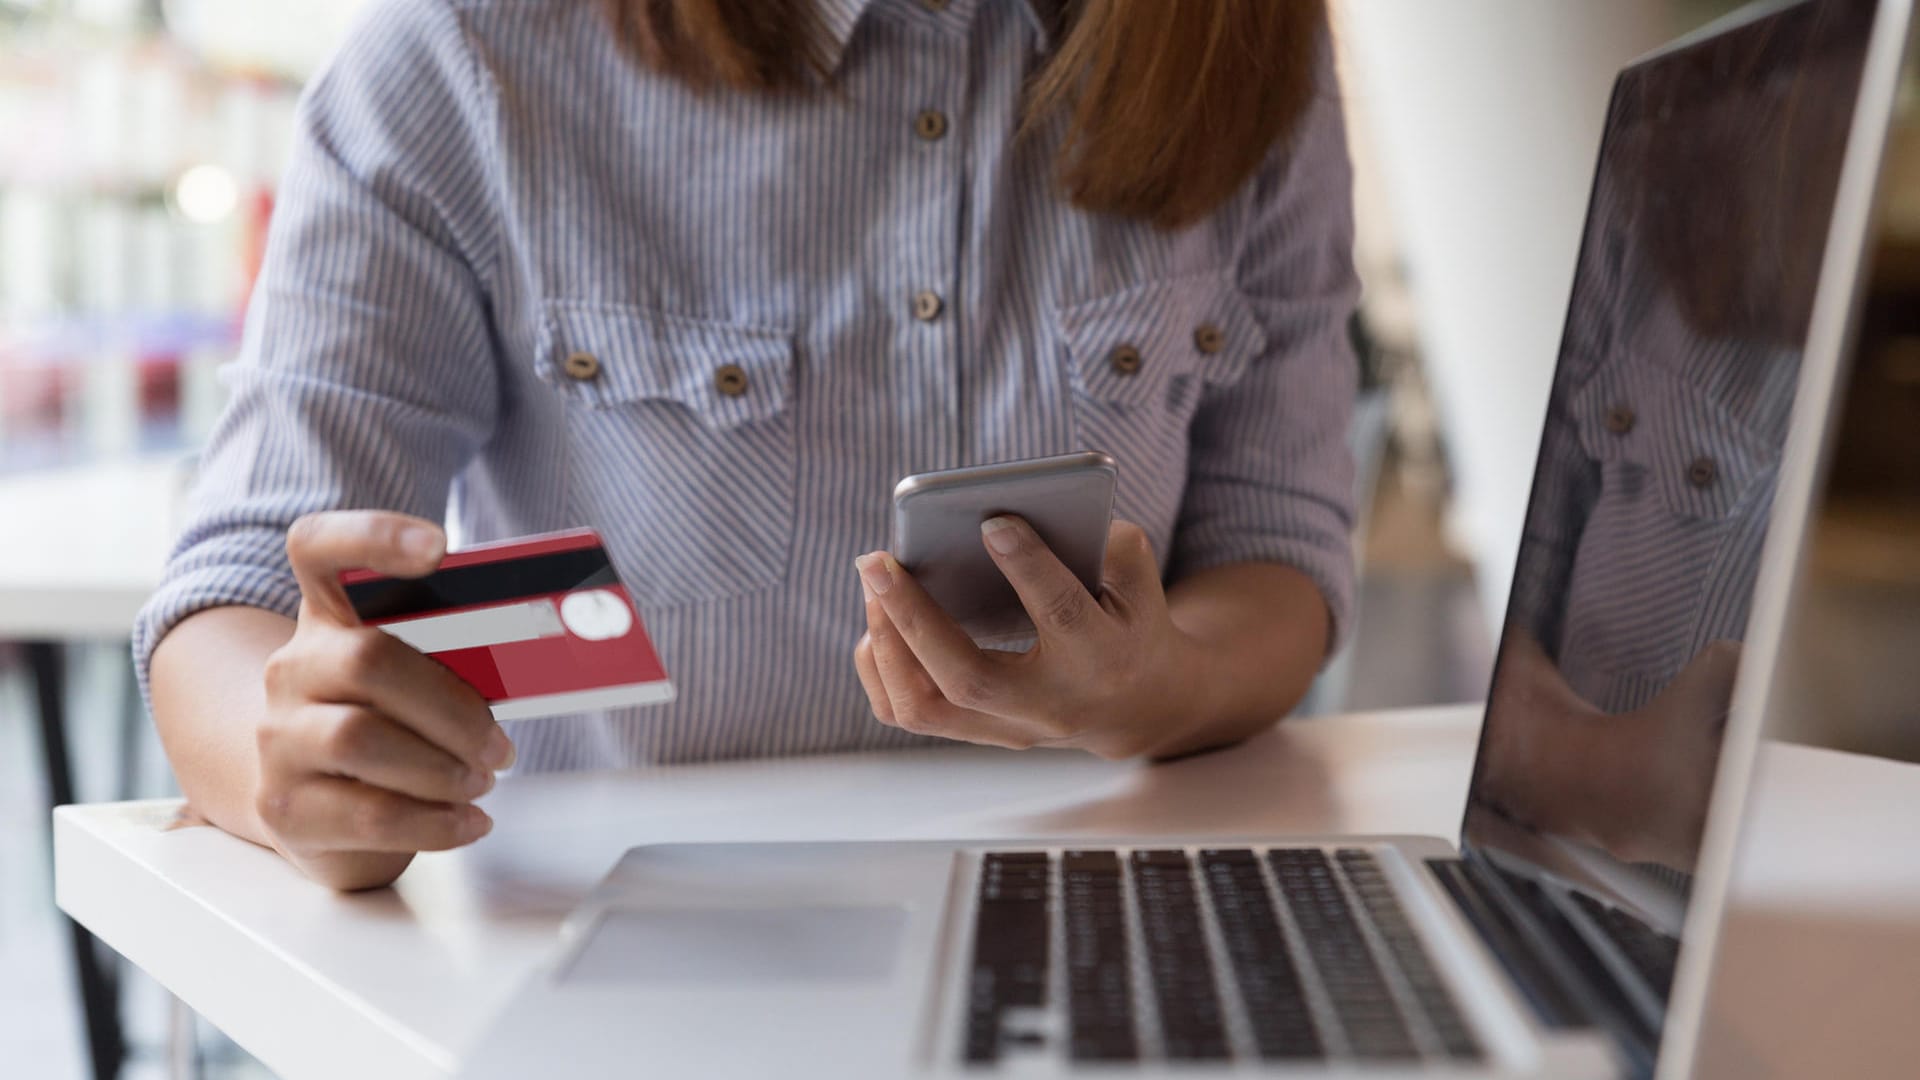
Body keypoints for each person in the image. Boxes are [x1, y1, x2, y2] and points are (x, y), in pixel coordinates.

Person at [140, 0, 1361, 891]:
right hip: (625, 940)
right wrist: (304, 765)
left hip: (1110, 909)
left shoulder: (1248, 53)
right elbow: (235, 599)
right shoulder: (462, 60)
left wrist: (1163, 693)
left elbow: (1278, 550)